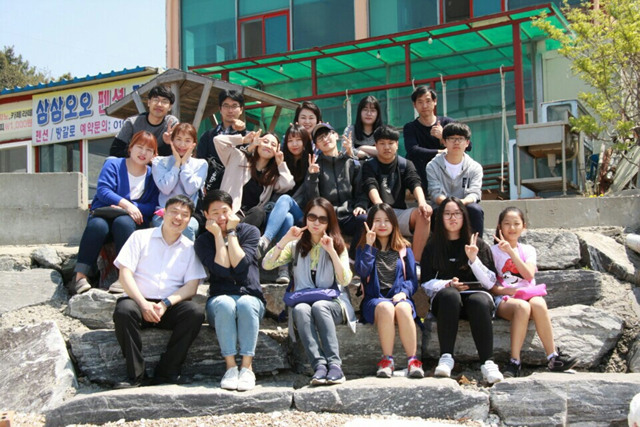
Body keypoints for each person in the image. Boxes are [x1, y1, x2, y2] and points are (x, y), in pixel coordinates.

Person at [112, 195, 207, 388]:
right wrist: (143, 304)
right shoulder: (140, 237)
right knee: (124, 311)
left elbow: (191, 287)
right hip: (138, 301)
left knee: (195, 313)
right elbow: (125, 274)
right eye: (174, 212)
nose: (178, 218)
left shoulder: (190, 248)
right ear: (164, 213)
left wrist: (165, 304)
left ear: (190, 220)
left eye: (185, 215)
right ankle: (136, 376)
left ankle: (167, 373)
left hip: (169, 305)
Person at [262, 197, 356, 386]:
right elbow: (267, 264)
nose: (316, 223)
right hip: (303, 302)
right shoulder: (296, 246)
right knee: (300, 309)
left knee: (320, 306)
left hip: (333, 305)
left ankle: (335, 366)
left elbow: (345, 280)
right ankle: (319, 366)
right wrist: (286, 239)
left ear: (329, 222)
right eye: (312, 217)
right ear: (305, 218)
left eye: (322, 219)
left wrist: (331, 252)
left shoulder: (337, 246)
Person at [420, 197, 503, 384]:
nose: (452, 218)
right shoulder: (433, 246)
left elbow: (490, 282)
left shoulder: (477, 243)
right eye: (447, 214)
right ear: (440, 218)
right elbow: (425, 283)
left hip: (476, 296)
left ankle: (488, 362)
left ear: (464, 217)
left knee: (478, 301)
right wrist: (447, 284)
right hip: (447, 301)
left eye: (457, 213)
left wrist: (474, 259)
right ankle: (446, 357)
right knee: (450, 295)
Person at [490, 206, 576, 377]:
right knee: (522, 307)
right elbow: (489, 285)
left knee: (539, 303)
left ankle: (553, 357)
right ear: (500, 226)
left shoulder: (528, 250)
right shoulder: (491, 252)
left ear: (524, 226)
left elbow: (528, 275)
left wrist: (511, 252)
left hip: (528, 295)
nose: (512, 228)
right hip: (505, 298)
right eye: (507, 224)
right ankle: (514, 361)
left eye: (516, 223)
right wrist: (511, 291)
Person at [73, 131, 159, 294]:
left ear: (154, 155)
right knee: (97, 226)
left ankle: (124, 276)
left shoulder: (152, 175)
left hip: (131, 223)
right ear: (130, 147)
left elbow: (152, 205)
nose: (143, 152)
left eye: (149, 150)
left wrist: (132, 208)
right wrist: (127, 205)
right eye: (139, 147)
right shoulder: (113, 164)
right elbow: (103, 191)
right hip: (105, 215)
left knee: (123, 222)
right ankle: (80, 276)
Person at [194, 190, 264, 391]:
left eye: (225, 211)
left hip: (250, 297)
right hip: (219, 301)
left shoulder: (250, 232)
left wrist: (231, 232)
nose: (221, 217)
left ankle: (247, 367)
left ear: (232, 210)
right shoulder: (203, 241)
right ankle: (231, 367)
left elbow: (240, 265)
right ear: (206, 215)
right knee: (225, 303)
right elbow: (223, 269)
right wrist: (218, 235)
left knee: (246, 303)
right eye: (215, 213)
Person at [354, 203, 423, 378]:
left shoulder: (404, 249)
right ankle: (387, 361)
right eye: (377, 220)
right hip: (374, 300)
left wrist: (404, 293)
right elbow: (362, 272)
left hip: (399, 296)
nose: (382, 224)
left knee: (404, 307)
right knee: (386, 307)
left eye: (386, 220)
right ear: (370, 223)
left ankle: (413, 361)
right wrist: (369, 246)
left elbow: (412, 280)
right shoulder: (363, 248)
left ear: (393, 223)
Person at [361, 124, 431, 263]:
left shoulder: (406, 164)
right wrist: (381, 207)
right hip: (376, 212)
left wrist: (422, 203)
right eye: (382, 143)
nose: (387, 147)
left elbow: (415, 183)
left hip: (398, 213)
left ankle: (415, 262)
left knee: (424, 215)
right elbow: (371, 186)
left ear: (397, 145)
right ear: (376, 145)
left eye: (390, 143)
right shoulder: (369, 165)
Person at [257, 123, 314, 283]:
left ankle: (265, 240)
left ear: (305, 141)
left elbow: (312, 196)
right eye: (290, 140)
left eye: (298, 140)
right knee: (287, 218)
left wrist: (312, 175)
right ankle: (283, 270)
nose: (294, 144)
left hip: (302, 214)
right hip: (281, 213)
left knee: (285, 199)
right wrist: (280, 163)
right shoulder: (280, 161)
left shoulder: (312, 161)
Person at [306, 123, 368, 258]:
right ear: (317, 146)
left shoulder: (350, 162)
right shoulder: (316, 166)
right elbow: (314, 200)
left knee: (364, 219)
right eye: (320, 138)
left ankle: (353, 256)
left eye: (327, 134)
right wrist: (313, 177)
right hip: (328, 217)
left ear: (336, 136)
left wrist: (360, 205)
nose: (325, 139)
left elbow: (361, 191)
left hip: (349, 214)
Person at [213, 130, 295, 230]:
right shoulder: (238, 158)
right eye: (265, 141)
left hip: (250, 219)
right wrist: (243, 139)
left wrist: (280, 164)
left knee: (259, 212)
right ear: (257, 143)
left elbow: (288, 184)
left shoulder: (271, 176)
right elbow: (218, 140)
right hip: (229, 213)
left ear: (277, 150)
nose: (268, 146)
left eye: (273, 145)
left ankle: (234, 235)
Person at [426, 122, 484, 236]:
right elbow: (435, 193)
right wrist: (450, 206)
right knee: (437, 212)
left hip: (465, 205)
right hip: (441, 206)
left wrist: (460, 203)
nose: (456, 142)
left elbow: (474, 193)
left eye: (460, 139)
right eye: (452, 138)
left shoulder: (475, 167)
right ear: (444, 142)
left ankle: (477, 245)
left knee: (475, 210)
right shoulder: (432, 166)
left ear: (467, 143)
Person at [151, 123, 207, 241]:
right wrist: (176, 164)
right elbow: (166, 188)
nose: (182, 144)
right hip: (164, 213)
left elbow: (190, 189)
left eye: (187, 141)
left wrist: (184, 164)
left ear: (193, 144)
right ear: (172, 141)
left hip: (189, 214)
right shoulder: (159, 162)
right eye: (178, 139)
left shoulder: (201, 164)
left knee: (187, 227)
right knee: (167, 227)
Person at [403, 87, 455, 192]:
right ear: (414, 105)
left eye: (428, 101)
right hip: (422, 172)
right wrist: (440, 152)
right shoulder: (410, 127)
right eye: (420, 102)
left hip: (445, 171)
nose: (424, 106)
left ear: (435, 102)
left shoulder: (448, 123)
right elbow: (413, 150)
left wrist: (443, 136)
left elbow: (468, 145)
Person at [109, 85, 178, 158]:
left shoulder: (171, 123)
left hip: (160, 164)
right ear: (149, 102)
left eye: (164, 101)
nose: (159, 104)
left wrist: (167, 144)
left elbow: (177, 156)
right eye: (156, 100)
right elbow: (115, 151)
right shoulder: (132, 123)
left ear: (170, 107)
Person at [197, 89, 247, 163]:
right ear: (220, 109)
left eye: (234, 106)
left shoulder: (248, 137)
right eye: (226, 106)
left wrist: (243, 133)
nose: (230, 110)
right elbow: (200, 162)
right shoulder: (207, 136)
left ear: (241, 110)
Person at [342, 95, 383, 159]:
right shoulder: (350, 130)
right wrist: (367, 155)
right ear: (359, 112)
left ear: (378, 114)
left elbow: (385, 151)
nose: (369, 114)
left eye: (372, 110)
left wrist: (361, 148)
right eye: (365, 110)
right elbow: (345, 151)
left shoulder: (383, 131)